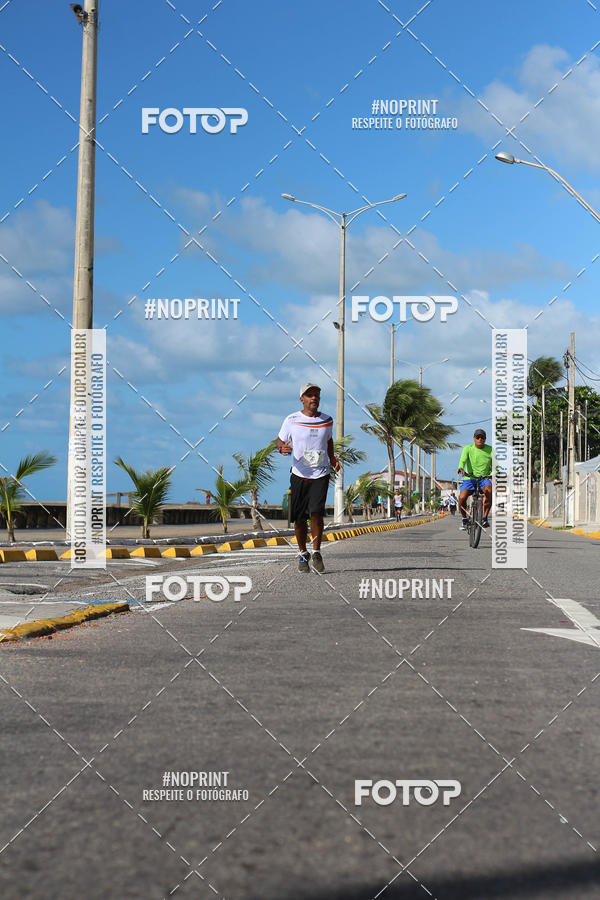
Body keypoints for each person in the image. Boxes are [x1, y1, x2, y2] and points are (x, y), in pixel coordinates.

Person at [277, 383, 339, 573]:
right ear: (302, 399)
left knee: (317, 512)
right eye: (310, 395)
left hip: (320, 473)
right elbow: (280, 440)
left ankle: (317, 551)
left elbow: (328, 440)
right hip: (299, 474)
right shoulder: (292, 419)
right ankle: (303, 553)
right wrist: (282, 448)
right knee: (299, 518)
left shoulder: (327, 420)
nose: (314, 398)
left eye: (317, 395)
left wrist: (332, 457)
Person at [457, 428, 494, 530]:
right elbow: (462, 461)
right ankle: (464, 519)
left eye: (482, 437)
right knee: (462, 497)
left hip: (484, 478)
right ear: (474, 438)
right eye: (478, 437)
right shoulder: (468, 448)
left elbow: (496, 465)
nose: (480, 439)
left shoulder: (491, 450)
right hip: (469, 478)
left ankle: (485, 518)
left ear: (485, 439)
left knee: (489, 491)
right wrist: (461, 468)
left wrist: (492, 474)